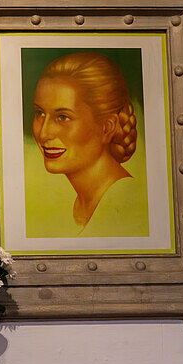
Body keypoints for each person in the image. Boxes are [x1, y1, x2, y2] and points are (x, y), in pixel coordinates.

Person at [30, 51, 146, 236]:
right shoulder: (65, 206)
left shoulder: (127, 204)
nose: (44, 133)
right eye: (40, 113)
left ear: (107, 127)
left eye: (63, 117)